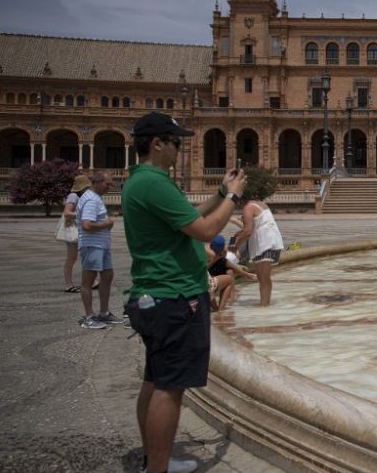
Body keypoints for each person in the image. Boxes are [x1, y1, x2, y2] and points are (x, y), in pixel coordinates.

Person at [122, 111, 246, 473]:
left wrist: (222, 192)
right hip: (174, 296)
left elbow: (189, 216)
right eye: (176, 142)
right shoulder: (154, 183)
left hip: (153, 295)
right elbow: (207, 230)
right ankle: (158, 469)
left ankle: (153, 459)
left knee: (155, 379)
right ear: (157, 143)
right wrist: (235, 199)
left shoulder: (141, 181)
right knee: (169, 389)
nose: (180, 149)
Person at [76, 170, 122, 329]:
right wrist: (106, 224)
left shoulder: (96, 198)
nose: (109, 187)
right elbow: (86, 225)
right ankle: (89, 317)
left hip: (101, 245)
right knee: (88, 280)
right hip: (91, 244)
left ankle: (104, 312)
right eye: (107, 184)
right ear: (96, 182)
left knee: (107, 275)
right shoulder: (91, 200)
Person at [238, 185, 284, 307]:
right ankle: (265, 304)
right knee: (264, 277)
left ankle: (264, 306)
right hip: (270, 241)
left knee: (263, 278)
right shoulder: (259, 204)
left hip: (264, 243)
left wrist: (235, 245)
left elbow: (247, 231)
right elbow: (254, 227)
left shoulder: (247, 207)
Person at [204, 235, 256, 311]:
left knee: (230, 271)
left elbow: (224, 261)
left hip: (216, 268)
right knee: (228, 275)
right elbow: (204, 268)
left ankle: (231, 298)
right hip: (208, 269)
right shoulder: (208, 251)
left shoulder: (223, 250)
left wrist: (219, 258)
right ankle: (219, 309)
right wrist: (214, 259)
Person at [60, 174, 91, 293]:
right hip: (72, 230)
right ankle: (68, 284)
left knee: (86, 255)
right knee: (71, 258)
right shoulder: (73, 196)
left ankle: (93, 281)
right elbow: (67, 212)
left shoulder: (81, 196)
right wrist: (82, 214)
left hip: (80, 229)